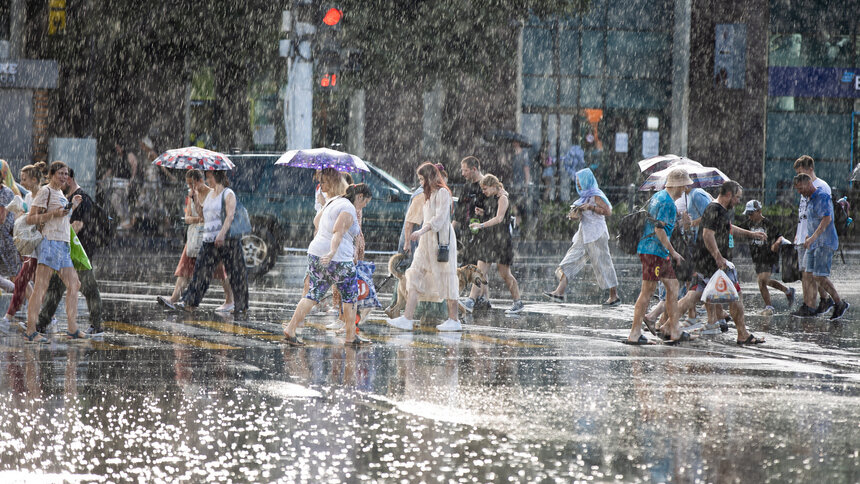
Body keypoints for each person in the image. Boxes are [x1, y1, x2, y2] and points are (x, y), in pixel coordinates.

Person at [282, 182, 373, 346]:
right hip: (338, 258)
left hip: (316, 253)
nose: (364, 206)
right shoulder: (349, 208)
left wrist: (325, 242)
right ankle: (350, 337)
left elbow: (316, 221)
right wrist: (331, 252)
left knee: (313, 294)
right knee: (350, 296)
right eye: (365, 202)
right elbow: (338, 231)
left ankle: (291, 328)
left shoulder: (334, 200)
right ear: (360, 197)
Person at [387, 162, 461, 331]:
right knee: (414, 274)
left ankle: (454, 319)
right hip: (425, 242)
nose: (420, 183)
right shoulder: (427, 195)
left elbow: (440, 219)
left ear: (430, 177)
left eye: (422, 179)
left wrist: (421, 231)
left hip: (440, 241)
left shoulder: (443, 193)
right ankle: (407, 317)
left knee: (447, 277)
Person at [693, 181, 767, 345]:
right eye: (737, 198)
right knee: (735, 295)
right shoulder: (714, 208)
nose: (739, 201)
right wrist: (718, 257)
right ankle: (742, 334)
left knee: (695, 296)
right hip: (717, 263)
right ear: (728, 195)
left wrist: (752, 234)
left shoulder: (721, 210)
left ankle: (667, 323)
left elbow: (729, 228)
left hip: (712, 262)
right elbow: (707, 234)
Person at [35, 169, 105, 337]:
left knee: (89, 288)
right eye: (60, 176)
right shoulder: (68, 198)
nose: (62, 181)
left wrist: (59, 227)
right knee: (56, 286)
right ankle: (42, 323)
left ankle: (96, 325)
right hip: (67, 250)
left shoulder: (83, 199)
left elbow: (77, 225)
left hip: (79, 252)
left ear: (70, 179)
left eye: (65, 177)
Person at [626, 169, 692, 345]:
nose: (686, 188)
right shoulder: (666, 202)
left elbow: (662, 225)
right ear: (677, 185)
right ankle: (634, 333)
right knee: (647, 291)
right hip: (653, 251)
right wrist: (674, 252)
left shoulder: (660, 197)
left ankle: (674, 329)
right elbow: (659, 230)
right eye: (685, 184)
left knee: (673, 286)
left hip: (657, 251)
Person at [24, 161, 85, 343]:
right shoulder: (46, 191)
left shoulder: (61, 193)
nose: (64, 177)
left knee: (74, 284)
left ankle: (72, 328)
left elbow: (62, 216)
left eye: (66, 174)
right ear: (51, 175)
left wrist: (71, 206)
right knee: (40, 288)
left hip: (63, 245)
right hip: (49, 243)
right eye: (60, 173)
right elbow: (30, 219)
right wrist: (53, 214)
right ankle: (30, 330)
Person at [157, 170, 233, 311]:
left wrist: (201, 218)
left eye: (192, 184)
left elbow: (208, 216)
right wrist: (195, 205)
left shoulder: (213, 193)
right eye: (188, 185)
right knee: (185, 269)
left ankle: (230, 300)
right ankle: (174, 299)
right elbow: (187, 218)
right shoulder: (191, 195)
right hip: (194, 238)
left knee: (220, 271)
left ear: (200, 180)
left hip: (210, 238)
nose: (190, 187)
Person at [176, 170, 248, 314]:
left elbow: (230, 216)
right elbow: (202, 214)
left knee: (236, 273)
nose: (207, 180)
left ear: (217, 177)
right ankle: (189, 302)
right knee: (201, 272)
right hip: (209, 241)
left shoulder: (228, 193)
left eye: (209, 177)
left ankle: (241, 306)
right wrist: (195, 198)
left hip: (228, 240)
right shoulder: (210, 195)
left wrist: (221, 234)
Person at [543, 168, 619, 305]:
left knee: (603, 265)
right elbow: (581, 215)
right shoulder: (583, 196)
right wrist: (575, 214)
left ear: (586, 180)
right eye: (577, 181)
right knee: (570, 260)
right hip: (583, 234)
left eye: (580, 181)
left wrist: (591, 208)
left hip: (597, 234)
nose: (578, 184)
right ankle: (559, 292)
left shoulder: (596, 195)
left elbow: (608, 211)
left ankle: (614, 296)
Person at [462, 174, 524, 315]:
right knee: (480, 271)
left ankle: (518, 302)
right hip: (490, 239)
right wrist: (483, 212)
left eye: (485, 189)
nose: (484, 191)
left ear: (493, 186)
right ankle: (470, 301)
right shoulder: (492, 198)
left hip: (501, 240)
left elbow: (499, 218)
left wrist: (481, 225)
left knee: (505, 274)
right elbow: (492, 214)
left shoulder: (503, 198)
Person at [792, 174, 849, 320]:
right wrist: (808, 236)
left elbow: (826, 219)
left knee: (819, 275)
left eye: (800, 188)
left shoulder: (822, 196)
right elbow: (813, 220)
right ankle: (816, 304)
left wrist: (812, 237)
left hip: (824, 242)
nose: (799, 192)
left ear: (808, 183)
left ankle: (839, 302)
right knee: (808, 272)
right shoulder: (809, 198)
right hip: (814, 243)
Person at [2, 163, 45, 329]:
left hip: (41, 246)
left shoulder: (43, 195)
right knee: (24, 281)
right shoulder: (28, 197)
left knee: (25, 281)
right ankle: (43, 316)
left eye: (24, 179)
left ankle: (10, 318)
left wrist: (25, 216)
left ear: (34, 179)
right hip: (31, 247)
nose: (21, 182)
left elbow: (39, 220)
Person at [791, 155, 835, 317]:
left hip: (814, 238)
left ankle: (811, 305)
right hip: (802, 236)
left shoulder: (821, 186)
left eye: (801, 171)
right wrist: (798, 235)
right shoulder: (803, 185)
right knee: (807, 273)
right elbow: (803, 214)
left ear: (810, 169)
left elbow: (824, 215)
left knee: (809, 274)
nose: (798, 175)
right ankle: (821, 301)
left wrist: (814, 237)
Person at [737, 200, 795, 315]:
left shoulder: (767, 223)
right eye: (748, 214)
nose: (749, 216)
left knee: (762, 280)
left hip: (769, 257)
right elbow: (737, 230)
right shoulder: (748, 224)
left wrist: (776, 244)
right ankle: (786, 292)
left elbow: (780, 236)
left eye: (751, 214)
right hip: (757, 258)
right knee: (764, 282)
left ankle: (770, 306)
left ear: (759, 211)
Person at [454, 156, 491, 309]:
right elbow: (459, 212)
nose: (463, 173)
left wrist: (485, 213)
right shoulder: (467, 188)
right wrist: (451, 229)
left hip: (484, 232)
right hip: (468, 232)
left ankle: (472, 299)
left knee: (477, 266)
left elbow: (496, 209)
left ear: (474, 169)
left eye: (465, 170)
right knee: (479, 266)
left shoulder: (486, 186)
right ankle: (484, 298)